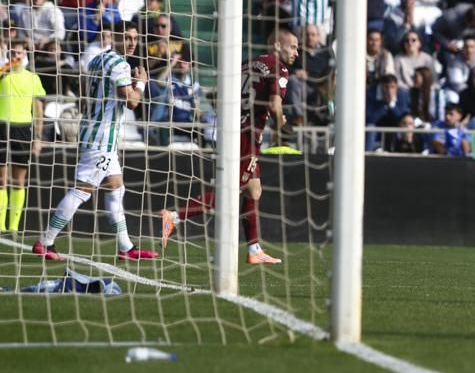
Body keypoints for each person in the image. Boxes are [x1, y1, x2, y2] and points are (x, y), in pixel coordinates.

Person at [159, 29, 299, 264]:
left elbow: (221, 95)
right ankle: (174, 216)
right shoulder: (279, 68)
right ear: (277, 45)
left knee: (253, 189)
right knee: (231, 191)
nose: (297, 52)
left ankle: (254, 249)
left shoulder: (246, 63)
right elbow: (275, 105)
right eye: (293, 46)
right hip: (247, 136)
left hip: (231, 128)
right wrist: (280, 124)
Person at [34, 23, 157, 261]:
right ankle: (45, 241)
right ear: (115, 37)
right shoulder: (120, 64)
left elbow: (92, 92)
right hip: (102, 137)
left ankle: (126, 248)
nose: (132, 43)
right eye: (127, 37)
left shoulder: (96, 60)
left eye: (135, 38)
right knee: (82, 191)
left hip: (93, 131)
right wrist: (141, 82)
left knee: (116, 188)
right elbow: (132, 102)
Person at [0, 41, 44, 232]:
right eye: (12, 53)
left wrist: (38, 136)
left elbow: (39, 110)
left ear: (25, 54)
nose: (16, 56)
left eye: (19, 53)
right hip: (2, 127)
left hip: (23, 130)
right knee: (1, 180)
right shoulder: (2, 74)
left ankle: (14, 227)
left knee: (19, 180)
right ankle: (0, 226)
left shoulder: (33, 78)